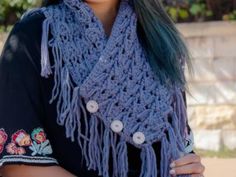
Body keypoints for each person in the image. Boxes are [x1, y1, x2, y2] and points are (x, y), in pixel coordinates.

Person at [0, 0, 205, 177]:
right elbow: (18, 166)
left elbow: (179, 143)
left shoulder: (159, 38)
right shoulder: (35, 36)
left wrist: (189, 166)